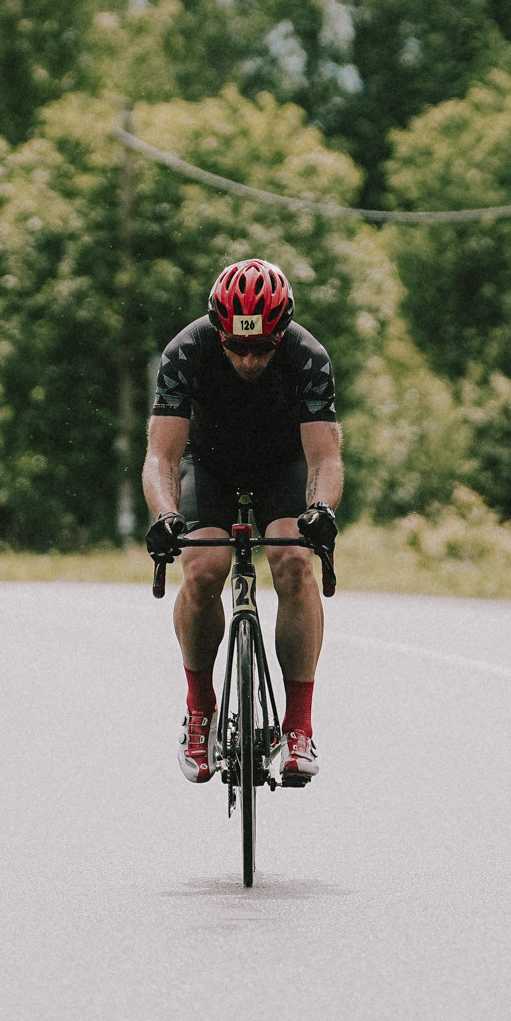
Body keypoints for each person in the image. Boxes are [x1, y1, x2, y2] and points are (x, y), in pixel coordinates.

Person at [143, 258, 342, 787]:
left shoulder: (307, 356)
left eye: (261, 348)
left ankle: (298, 726)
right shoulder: (185, 352)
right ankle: (200, 710)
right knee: (204, 569)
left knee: (295, 562)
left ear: (281, 334)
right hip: (208, 466)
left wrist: (320, 509)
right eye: (237, 347)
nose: (250, 360)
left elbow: (324, 458)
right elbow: (161, 457)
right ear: (218, 331)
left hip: (282, 465)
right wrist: (165, 516)